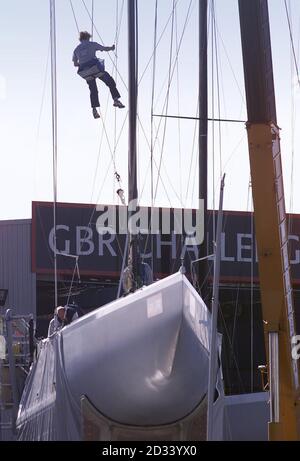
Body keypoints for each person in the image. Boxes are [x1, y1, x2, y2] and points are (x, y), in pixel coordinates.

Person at [73, 31, 125, 119]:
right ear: (88, 37)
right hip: (95, 68)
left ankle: (94, 109)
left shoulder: (76, 50)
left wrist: (83, 63)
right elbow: (105, 49)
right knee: (110, 81)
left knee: (93, 90)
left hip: (85, 72)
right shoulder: (92, 44)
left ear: (81, 39)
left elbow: (75, 63)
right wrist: (112, 48)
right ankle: (116, 100)